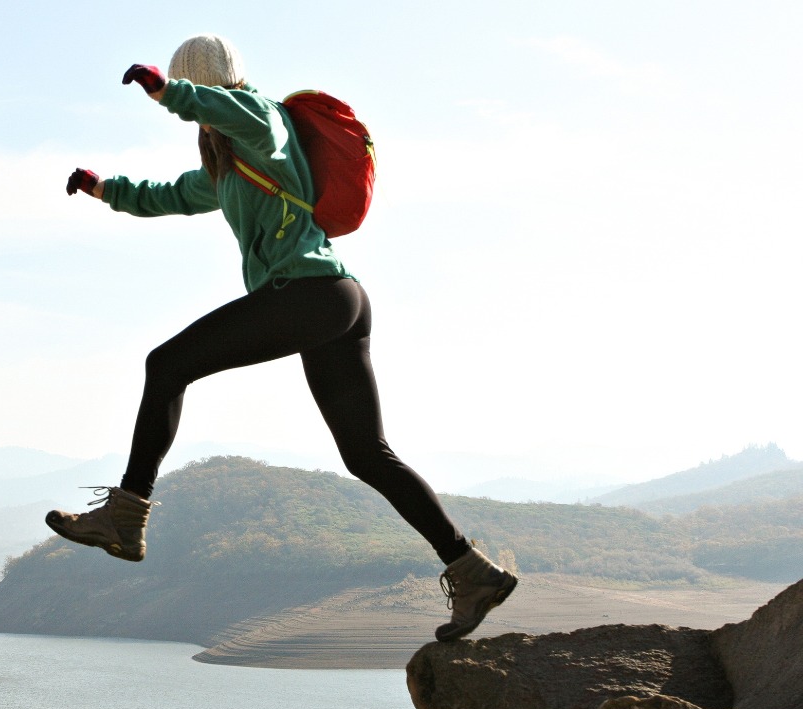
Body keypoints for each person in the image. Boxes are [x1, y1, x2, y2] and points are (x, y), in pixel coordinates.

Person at [46, 34, 517, 642]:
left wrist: (169, 92)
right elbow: (169, 196)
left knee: (166, 365)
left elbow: (228, 110)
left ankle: (126, 515)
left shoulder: (264, 122)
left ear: (221, 86)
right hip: (333, 299)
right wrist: (103, 188)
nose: (201, 103)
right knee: (366, 454)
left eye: (206, 90)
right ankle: (472, 570)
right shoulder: (228, 165)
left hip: (310, 294)